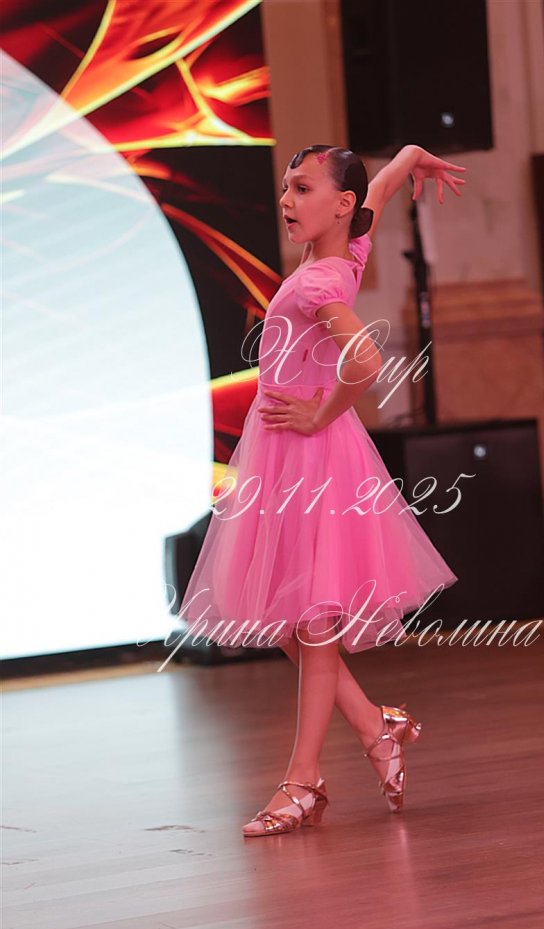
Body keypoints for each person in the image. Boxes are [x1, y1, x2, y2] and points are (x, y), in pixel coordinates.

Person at [178, 143, 466, 836]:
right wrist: (409, 158)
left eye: (302, 188)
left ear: (339, 205)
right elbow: (381, 190)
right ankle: (375, 725)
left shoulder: (317, 285)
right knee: (291, 619)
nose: (286, 200)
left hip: (308, 457)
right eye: (286, 186)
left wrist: (319, 413)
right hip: (289, 455)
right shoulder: (349, 251)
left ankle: (303, 781)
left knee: (310, 623)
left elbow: (364, 359)